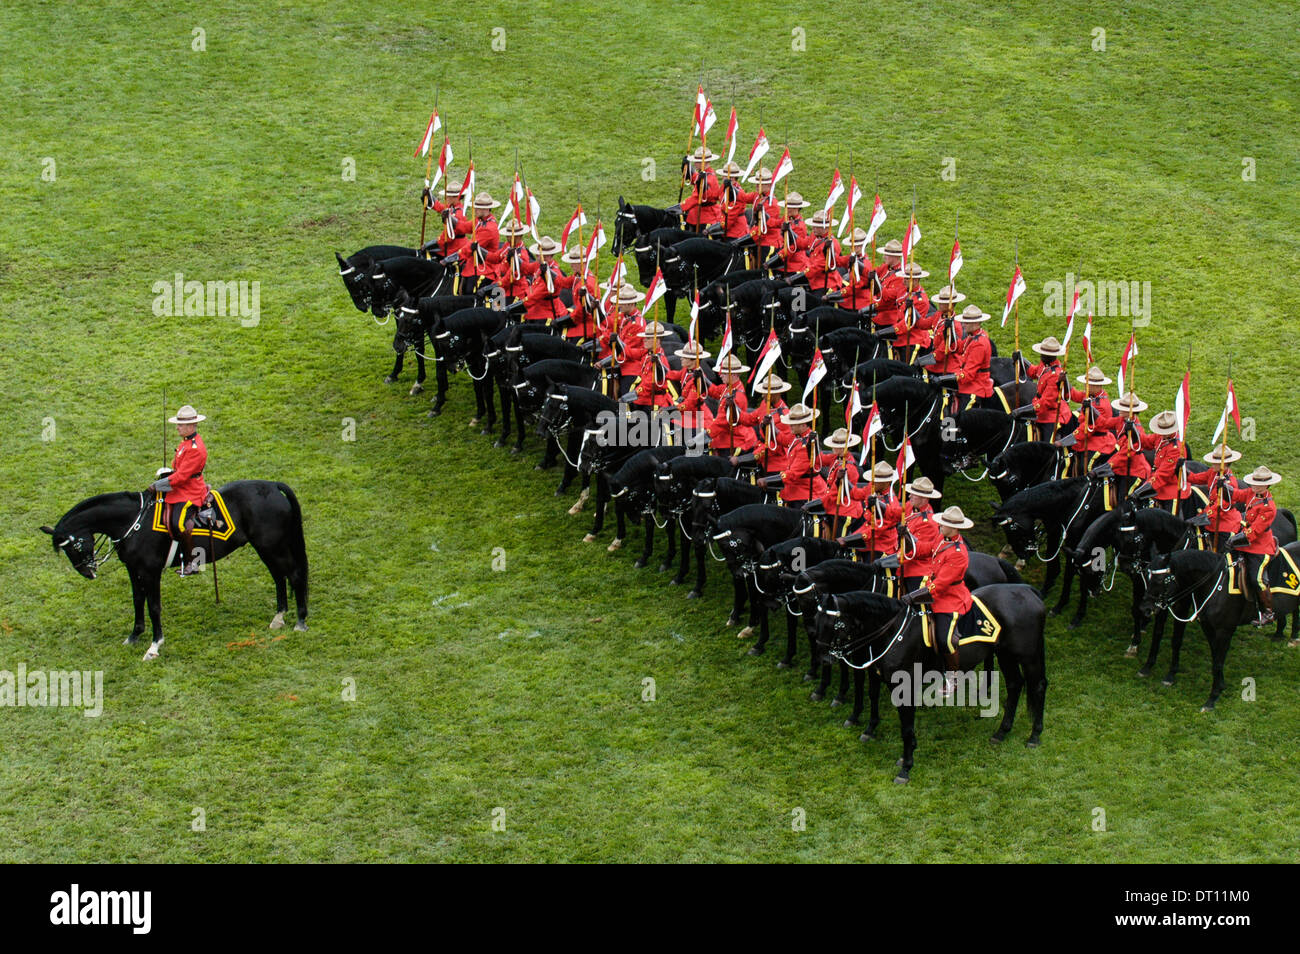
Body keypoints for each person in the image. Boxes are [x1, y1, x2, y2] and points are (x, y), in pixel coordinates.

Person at [901, 505, 975, 696]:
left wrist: (913, 596)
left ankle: (953, 677)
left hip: (949, 598)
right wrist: (907, 537)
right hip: (930, 587)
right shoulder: (941, 538)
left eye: (945, 524)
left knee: (944, 639)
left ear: (955, 528)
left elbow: (941, 584)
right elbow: (925, 549)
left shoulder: (958, 552)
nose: (940, 525)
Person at [149, 405, 211, 576]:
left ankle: (194, 562)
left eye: (180, 425)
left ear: (191, 426)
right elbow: (178, 468)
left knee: (179, 523)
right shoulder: (185, 442)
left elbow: (183, 476)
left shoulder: (195, 448)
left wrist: (159, 485)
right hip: (180, 487)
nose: (177, 427)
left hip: (190, 491)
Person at [1228, 466, 1282, 626]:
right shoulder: (1252, 493)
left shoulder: (1269, 507)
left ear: (1267, 486)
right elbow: (1238, 495)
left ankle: (1268, 612)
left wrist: (1235, 539)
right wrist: (1225, 487)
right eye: (1254, 483)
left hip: (1260, 547)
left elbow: (1254, 532)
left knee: (1256, 578)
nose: (1255, 486)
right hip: (1245, 541)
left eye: (1259, 484)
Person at [757, 404, 826, 505]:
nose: (790, 426)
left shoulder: (807, 445)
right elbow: (782, 439)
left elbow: (793, 474)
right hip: (795, 489)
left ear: (803, 424)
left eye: (793, 424)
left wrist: (768, 480)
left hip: (805, 493)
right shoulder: (798, 436)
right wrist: (768, 425)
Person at [1063, 366, 1119, 475]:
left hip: (1097, 442)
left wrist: (1068, 439)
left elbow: (1088, 428)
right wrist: (1065, 382)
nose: (1085, 386)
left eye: (1088, 384)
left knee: (1085, 468)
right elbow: (1075, 395)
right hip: (1087, 437)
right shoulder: (1090, 395)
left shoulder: (1100, 405)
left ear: (1097, 386)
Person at [1016, 336, 1072, 441]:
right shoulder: (1045, 365)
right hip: (1041, 411)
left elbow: (1046, 402)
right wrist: (1021, 359)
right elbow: (1033, 372)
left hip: (1052, 415)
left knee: (1046, 447)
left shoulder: (1056, 374)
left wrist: (1022, 411)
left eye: (1044, 354)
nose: (1041, 355)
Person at [1190, 445, 1244, 551]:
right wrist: (1182, 470)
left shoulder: (1230, 483)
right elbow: (1196, 478)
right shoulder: (1213, 473)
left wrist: (1206, 515)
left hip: (1224, 524)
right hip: (1212, 520)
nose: (1212, 464)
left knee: (1219, 556)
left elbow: (1222, 506)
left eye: (1215, 462)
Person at [898, 475, 943, 595]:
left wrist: (907, 536)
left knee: (913, 600)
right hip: (902, 558)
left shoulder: (929, 523)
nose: (909, 496)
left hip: (917, 568)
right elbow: (894, 513)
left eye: (913, 494)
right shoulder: (910, 506)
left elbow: (919, 551)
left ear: (923, 498)